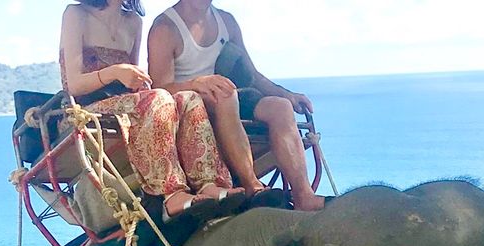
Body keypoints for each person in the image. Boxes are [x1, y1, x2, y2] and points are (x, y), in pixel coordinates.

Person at [60, 0, 244, 222]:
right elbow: (74, 85)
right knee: (159, 97)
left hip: (125, 104)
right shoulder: (76, 13)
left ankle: (209, 183)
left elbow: (132, 84)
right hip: (86, 110)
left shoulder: (133, 21)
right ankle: (172, 193)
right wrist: (115, 72)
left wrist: (137, 82)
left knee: (189, 97)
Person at [147, 1, 325, 212]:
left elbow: (252, 75)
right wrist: (197, 83)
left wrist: (287, 94)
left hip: (227, 95)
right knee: (226, 96)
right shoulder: (165, 27)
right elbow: (160, 88)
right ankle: (252, 186)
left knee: (280, 107)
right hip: (189, 105)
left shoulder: (227, 21)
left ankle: (304, 196)